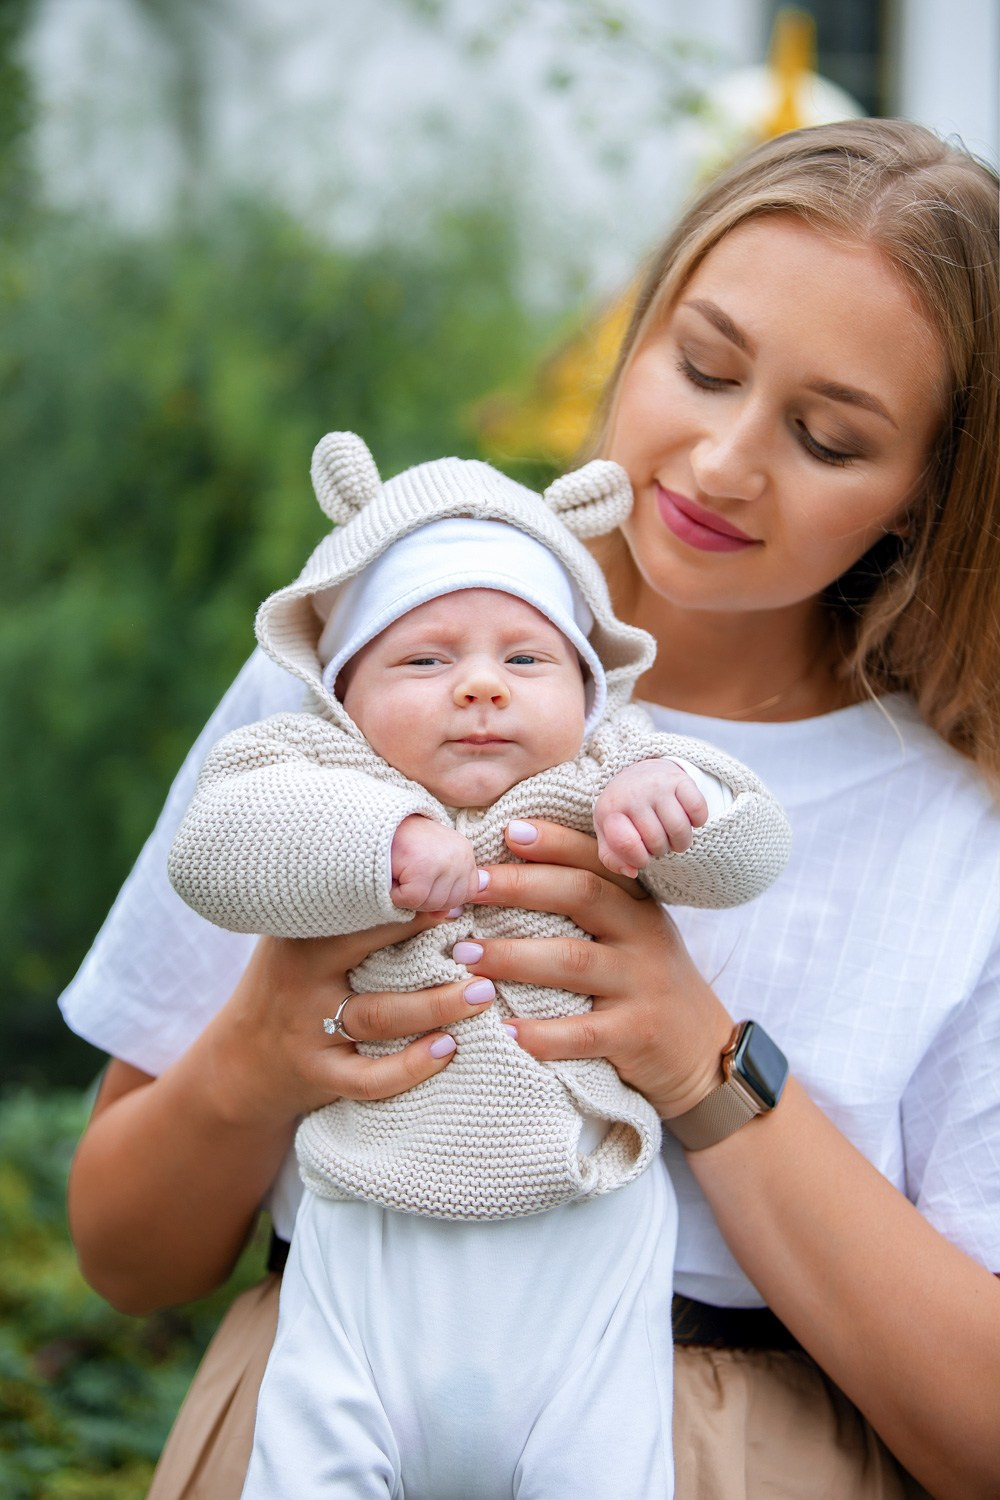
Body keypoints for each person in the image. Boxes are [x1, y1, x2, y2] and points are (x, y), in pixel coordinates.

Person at [60, 118, 999, 1500]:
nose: (727, 461)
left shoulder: (957, 834)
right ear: (637, 326)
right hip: (327, 1405)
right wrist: (259, 1051)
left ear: (930, 493)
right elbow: (123, 1252)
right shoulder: (359, 679)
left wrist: (700, 1063)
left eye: (826, 435)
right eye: (704, 364)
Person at [164, 432, 790, 1498]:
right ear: (343, 691)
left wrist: (674, 810)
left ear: (588, 690)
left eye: (526, 658)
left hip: (579, 1232)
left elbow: (753, 846)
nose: (482, 688)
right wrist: (380, 844)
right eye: (424, 657)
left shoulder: (608, 767)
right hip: (370, 1235)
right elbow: (212, 849)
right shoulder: (318, 765)